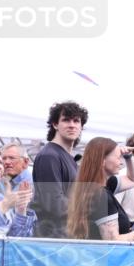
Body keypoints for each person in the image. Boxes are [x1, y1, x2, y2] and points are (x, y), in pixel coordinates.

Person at [66, 137, 134, 242]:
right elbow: (112, 240)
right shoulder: (100, 195)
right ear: (103, 161)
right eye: (118, 158)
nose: (121, 162)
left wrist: (128, 156)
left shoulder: (100, 186)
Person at [33, 100, 87, 238]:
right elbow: (54, 203)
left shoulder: (67, 157)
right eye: (66, 120)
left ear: (81, 126)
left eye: (76, 121)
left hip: (68, 238)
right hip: (55, 240)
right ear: (55, 124)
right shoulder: (49, 156)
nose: (72, 125)